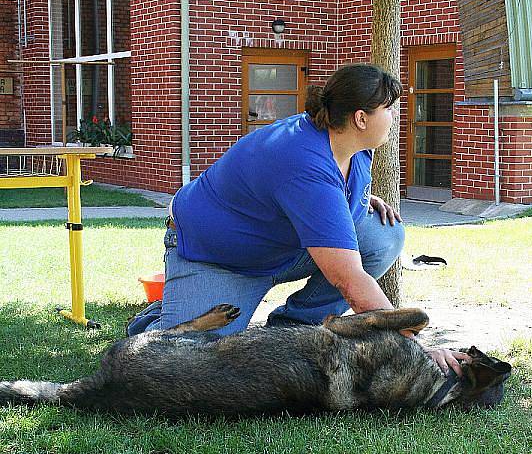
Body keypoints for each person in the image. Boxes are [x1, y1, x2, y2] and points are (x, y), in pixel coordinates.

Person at [128, 63, 469, 375]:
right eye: (389, 109)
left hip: (285, 247)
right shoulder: (303, 161)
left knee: (383, 234)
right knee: (188, 359)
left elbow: (325, 194)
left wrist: (351, 199)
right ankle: (155, 320)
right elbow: (348, 279)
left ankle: (294, 329)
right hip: (219, 258)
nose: (396, 116)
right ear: (361, 118)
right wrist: (418, 348)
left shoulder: (355, 146)